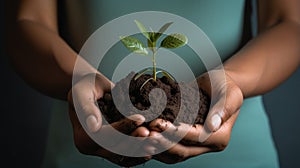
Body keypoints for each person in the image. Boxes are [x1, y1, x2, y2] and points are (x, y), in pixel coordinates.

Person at [5, 0, 300, 167]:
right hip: (81, 149)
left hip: (238, 153)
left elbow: (287, 23)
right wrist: (81, 79)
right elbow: (27, 20)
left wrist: (232, 80)